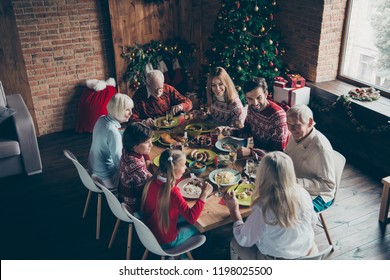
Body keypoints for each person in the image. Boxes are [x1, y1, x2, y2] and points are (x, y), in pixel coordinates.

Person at [224, 151, 318, 260]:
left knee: (235, 242)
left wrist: (234, 210)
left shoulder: (263, 207)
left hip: (276, 261)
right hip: (308, 255)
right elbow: (312, 223)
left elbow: (243, 240)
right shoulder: (303, 193)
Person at [140, 149, 213, 249]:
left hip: (150, 233)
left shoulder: (153, 180)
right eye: (183, 165)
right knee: (200, 226)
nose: (185, 168)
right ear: (173, 169)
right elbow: (192, 218)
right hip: (167, 241)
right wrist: (204, 194)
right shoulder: (172, 191)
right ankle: (179, 256)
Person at [218, 77, 289, 158]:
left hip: (271, 162)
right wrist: (231, 132)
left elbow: (278, 155)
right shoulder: (251, 108)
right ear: (245, 98)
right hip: (255, 156)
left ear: (266, 94)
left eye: (259, 97)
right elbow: (247, 131)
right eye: (250, 99)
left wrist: (250, 152)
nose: (255, 103)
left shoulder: (278, 117)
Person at [284, 104, 336, 212]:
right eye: (288, 124)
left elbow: (328, 186)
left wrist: (295, 182)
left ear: (310, 122)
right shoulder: (297, 135)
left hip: (319, 196)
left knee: (288, 214)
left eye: (296, 125)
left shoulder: (320, 149)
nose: (291, 129)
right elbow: (287, 155)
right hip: (295, 185)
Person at [88, 93, 134, 192]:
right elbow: (119, 161)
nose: (131, 113)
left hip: (93, 170)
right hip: (105, 178)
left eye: (131, 109)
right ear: (118, 110)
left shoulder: (101, 119)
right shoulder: (112, 131)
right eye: (127, 110)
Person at [118, 122, 153, 212]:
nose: (151, 145)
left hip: (123, 196)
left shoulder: (127, 149)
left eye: (151, 141)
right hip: (135, 205)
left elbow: (143, 154)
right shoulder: (137, 168)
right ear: (135, 145)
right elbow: (154, 185)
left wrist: (147, 158)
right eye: (147, 142)